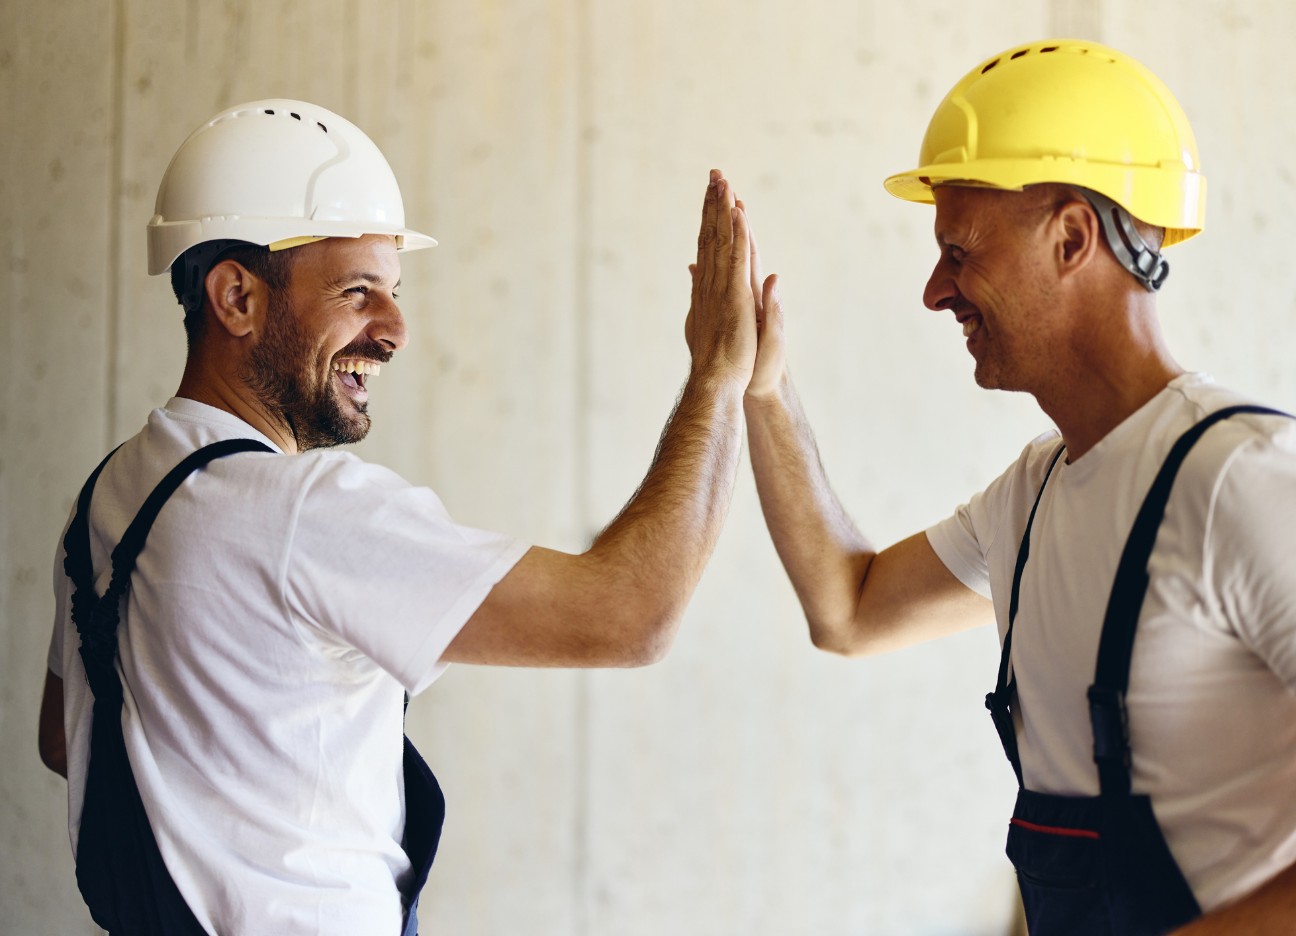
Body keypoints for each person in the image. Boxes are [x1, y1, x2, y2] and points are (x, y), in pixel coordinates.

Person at [37, 98, 758, 935]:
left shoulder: (109, 493)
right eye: (357, 292)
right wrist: (718, 376)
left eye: (394, 290)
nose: (395, 330)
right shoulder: (305, 513)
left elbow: (70, 740)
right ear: (236, 296)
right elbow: (632, 615)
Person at [742, 39, 1296, 934]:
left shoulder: (1243, 481)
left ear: (1071, 236)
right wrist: (761, 389)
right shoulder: (1033, 495)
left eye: (959, 251)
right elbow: (849, 609)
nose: (935, 291)